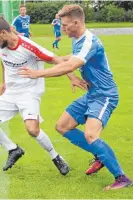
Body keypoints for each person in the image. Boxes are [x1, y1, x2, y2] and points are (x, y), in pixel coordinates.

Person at [18, 5, 132, 190]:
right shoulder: (78, 39)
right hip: (92, 93)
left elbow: (70, 66)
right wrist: (49, 58)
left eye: (65, 25)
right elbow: (73, 58)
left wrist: (37, 74)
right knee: (62, 126)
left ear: (76, 23)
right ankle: (99, 155)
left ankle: (122, 178)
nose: (62, 28)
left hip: (105, 95)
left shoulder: (89, 41)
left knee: (91, 135)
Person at [0, 16, 86, 174]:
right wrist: (3, 82)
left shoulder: (28, 46)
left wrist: (72, 77)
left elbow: (55, 59)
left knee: (32, 130)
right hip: (11, 92)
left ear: (4, 33)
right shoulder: (1, 44)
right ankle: (13, 149)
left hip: (29, 91)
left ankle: (56, 157)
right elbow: (3, 60)